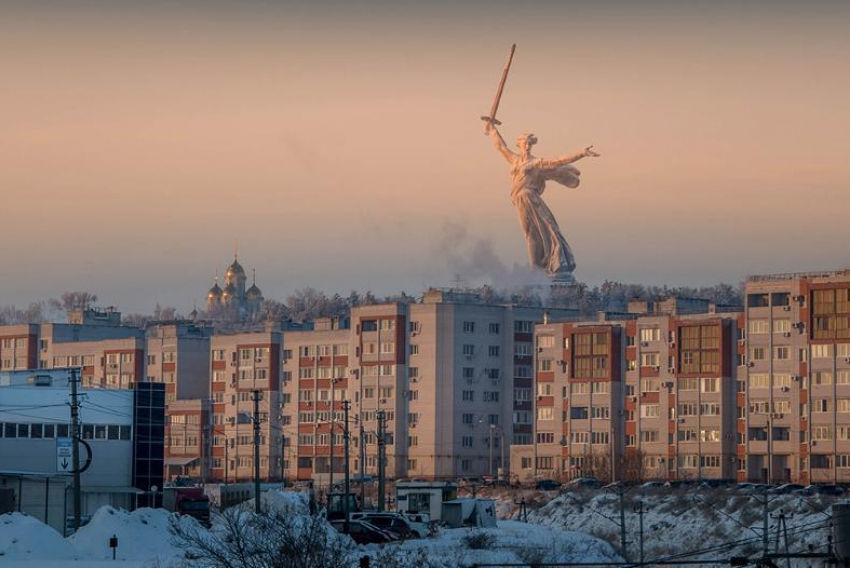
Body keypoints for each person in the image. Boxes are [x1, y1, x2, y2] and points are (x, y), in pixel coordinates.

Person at [485, 121, 600, 281]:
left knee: (547, 229)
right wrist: (492, 130)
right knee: (530, 234)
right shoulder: (515, 160)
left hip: (531, 197)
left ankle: (549, 263)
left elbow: (559, 161)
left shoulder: (536, 163)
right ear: (519, 145)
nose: (527, 146)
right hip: (518, 200)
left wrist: (581, 153)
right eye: (524, 143)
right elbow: (501, 147)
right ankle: (536, 269)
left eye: (529, 144)